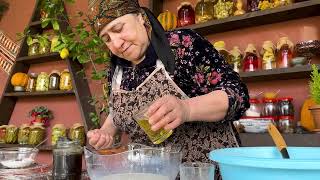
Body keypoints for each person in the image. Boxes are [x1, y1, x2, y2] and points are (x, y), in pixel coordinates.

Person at [87, 0, 250, 179]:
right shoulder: (117, 71)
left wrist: (187, 109)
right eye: (107, 39)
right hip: (150, 175)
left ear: (141, 18)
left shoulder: (183, 45)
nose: (116, 43)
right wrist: (106, 132)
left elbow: (237, 94)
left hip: (206, 172)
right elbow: (115, 111)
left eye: (118, 29)